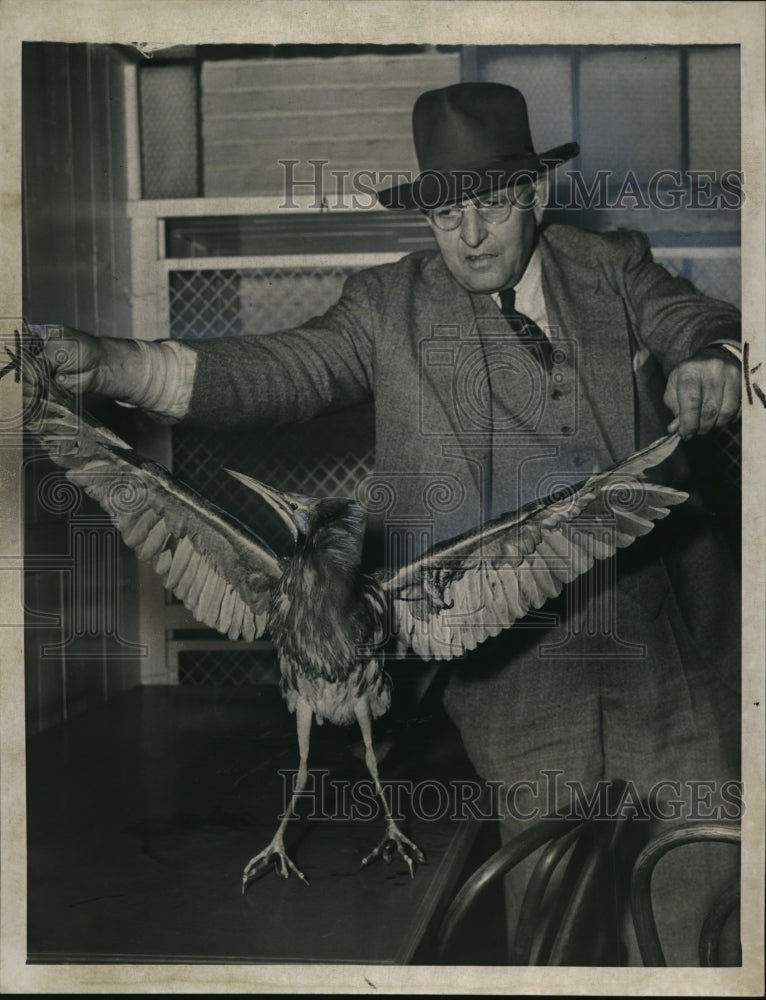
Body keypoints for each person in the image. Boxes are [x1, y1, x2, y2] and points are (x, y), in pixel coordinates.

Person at [38, 82, 742, 965]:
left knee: (703, 902)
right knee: (556, 928)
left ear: (534, 194)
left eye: (490, 206)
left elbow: (698, 319)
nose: (470, 236)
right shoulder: (384, 306)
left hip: (671, 649)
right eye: (447, 214)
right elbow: (275, 371)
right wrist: (108, 362)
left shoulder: (611, 267)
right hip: (518, 674)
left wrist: (711, 359)